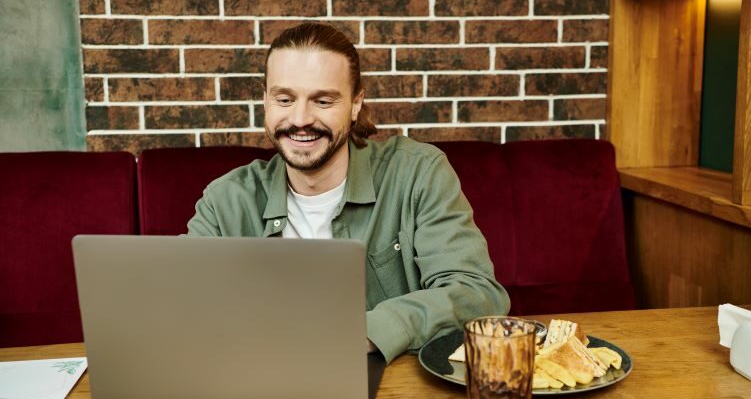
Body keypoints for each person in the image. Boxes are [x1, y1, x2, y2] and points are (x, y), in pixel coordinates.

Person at [186, 23, 510, 363]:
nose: (300, 118)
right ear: (265, 100)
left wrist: (370, 330)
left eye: (323, 100)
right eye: (284, 99)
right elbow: (181, 308)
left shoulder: (418, 173)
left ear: (356, 104)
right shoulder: (224, 201)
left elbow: (478, 294)